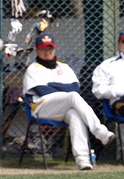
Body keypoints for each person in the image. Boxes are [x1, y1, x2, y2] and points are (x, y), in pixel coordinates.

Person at [23, 33, 114, 170]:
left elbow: (75, 88)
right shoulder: (33, 69)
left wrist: (52, 85)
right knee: (72, 96)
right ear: (37, 50)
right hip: (41, 107)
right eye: (43, 49)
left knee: (74, 114)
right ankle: (99, 131)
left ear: (54, 49)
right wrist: (62, 87)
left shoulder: (64, 67)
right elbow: (42, 91)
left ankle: (83, 160)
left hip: (63, 107)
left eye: (50, 48)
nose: (47, 52)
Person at [92, 31, 124, 116]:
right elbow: (98, 91)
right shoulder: (107, 65)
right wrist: (119, 90)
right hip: (119, 102)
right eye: (123, 42)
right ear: (118, 44)